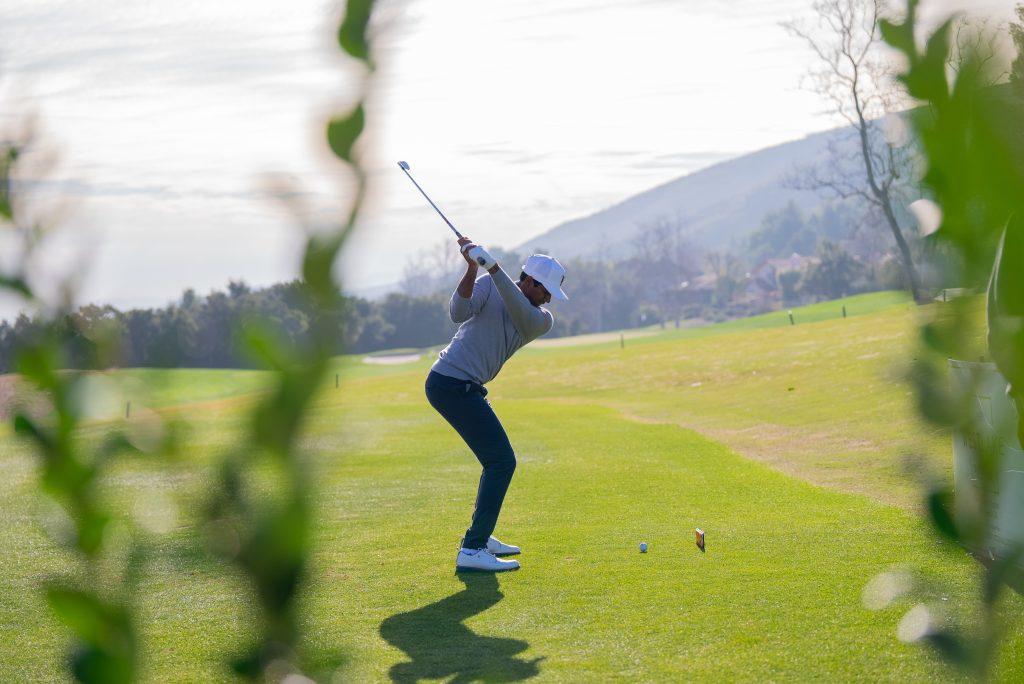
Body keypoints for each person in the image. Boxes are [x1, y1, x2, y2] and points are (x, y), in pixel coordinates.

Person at [425, 237, 568, 572]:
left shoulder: (540, 319)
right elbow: (457, 312)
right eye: (545, 290)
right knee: (502, 462)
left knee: (497, 461)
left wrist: (494, 267)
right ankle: (473, 549)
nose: (549, 299)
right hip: (449, 384)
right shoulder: (489, 284)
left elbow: (519, 309)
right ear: (530, 282)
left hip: (464, 387)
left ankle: (480, 536)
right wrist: (473, 269)